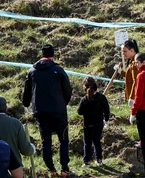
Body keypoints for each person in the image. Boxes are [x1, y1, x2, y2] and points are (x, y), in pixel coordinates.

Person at [22, 44, 72, 177]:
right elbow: (68, 90)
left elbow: (26, 92)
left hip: (41, 112)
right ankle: (64, 169)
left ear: (41, 55)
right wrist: (63, 104)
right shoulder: (58, 70)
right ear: (52, 55)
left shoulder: (32, 71)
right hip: (58, 111)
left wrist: (27, 103)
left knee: (46, 141)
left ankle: (51, 169)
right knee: (63, 139)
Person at [77, 77, 110, 167]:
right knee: (97, 141)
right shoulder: (102, 97)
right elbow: (107, 110)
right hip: (99, 123)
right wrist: (106, 119)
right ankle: (99, 160)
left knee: (87, 143)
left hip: (88, 124)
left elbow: (79, 112)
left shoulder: (84, 100)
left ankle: (86, 161)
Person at [0, 96, 35, 170]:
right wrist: (32, 148)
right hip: (13, 169)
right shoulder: (15, 123)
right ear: (6, 108)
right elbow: (26, 150)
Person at [114, 39, 140, 109]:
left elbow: (136, 81)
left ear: (132, 50)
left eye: (125, 51)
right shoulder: (132, 62)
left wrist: (132, 97)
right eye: (122, 51)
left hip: (137, 97)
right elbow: (129, 76)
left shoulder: (135, 64)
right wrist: (120, 71)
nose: (123, 54)